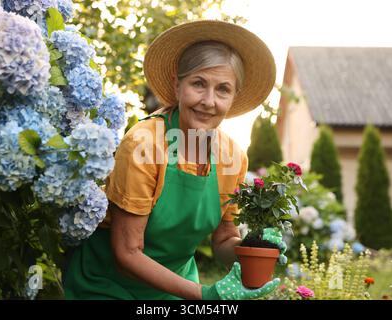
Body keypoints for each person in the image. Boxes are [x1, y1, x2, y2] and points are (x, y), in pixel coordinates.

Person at [63, 20, 283, 300]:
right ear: (177, 85)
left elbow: (224, 238)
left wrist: (254, 251)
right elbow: (127, 253)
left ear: (234, 97)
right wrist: (205, 296)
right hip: (106, 285)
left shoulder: (233, 157)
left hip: (177, 287)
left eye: (223, 89)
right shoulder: (144, 144)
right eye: (198, 84)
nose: (209, 101)